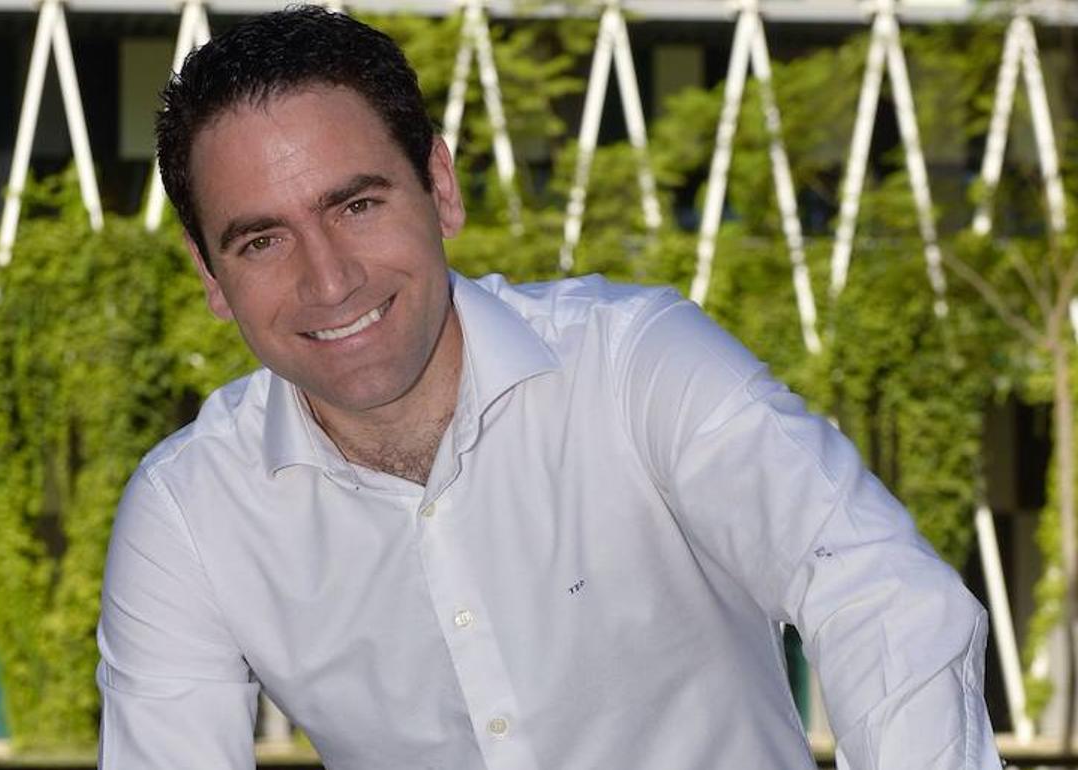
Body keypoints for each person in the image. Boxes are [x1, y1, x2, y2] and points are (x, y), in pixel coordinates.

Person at [96, 7, 1000, 769]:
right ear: (212, 277)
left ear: (440, 188)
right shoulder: (190, 513)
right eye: (262, 241)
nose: (329, 280)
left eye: (357, 205)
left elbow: (874, 591)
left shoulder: (635, 365)